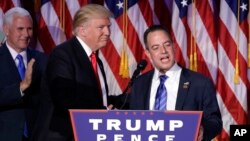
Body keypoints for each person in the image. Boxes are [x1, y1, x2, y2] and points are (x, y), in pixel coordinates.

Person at [129, 25, 222, 141]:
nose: (163, 51)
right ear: (148, 53)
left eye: (167, 45)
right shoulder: (140, 84)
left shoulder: (200, 83)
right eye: (156, 47)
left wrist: (202, 130)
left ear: (173, 47)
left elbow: (215, 121)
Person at [45, 4, 115, 140]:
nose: (107, 32)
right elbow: (64, 100)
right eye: (101, 27)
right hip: (66, 135)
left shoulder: (94, 58)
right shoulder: (63, 55)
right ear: (83, 30)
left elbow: (94, 97)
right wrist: (101, 112)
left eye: (108, 27)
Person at [0, 7, 47, 141]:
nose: (26, 34)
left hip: (37, 135)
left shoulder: (43, 60)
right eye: (20, 29)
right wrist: (22, 86)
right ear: (6, 30)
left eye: (29, 29)